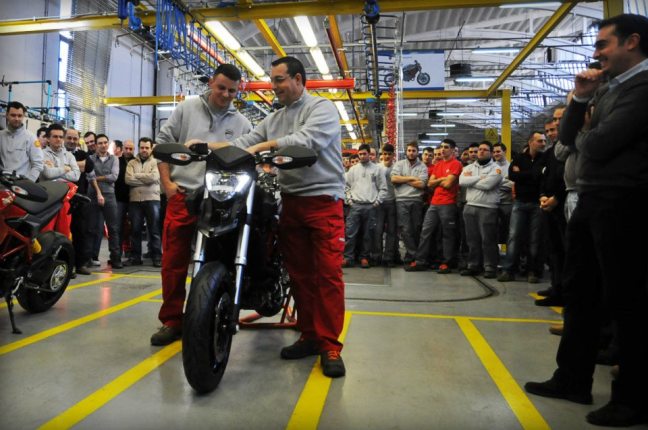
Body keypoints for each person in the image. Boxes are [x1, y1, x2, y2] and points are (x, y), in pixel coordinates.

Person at [524, 14, 648, 427]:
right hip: (595, 199)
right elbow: (567, 139)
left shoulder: (643, 88)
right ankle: (572, 378)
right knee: (580, 292)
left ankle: (634, 398)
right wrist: (579, 100)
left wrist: (585, 135)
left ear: (632, 42)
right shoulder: (608, 88)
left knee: (627, 298)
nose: (596, 54)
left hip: (626, 201)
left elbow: (598, 145)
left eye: (602, 44)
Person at [218, 56, 346, 378]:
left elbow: (308, 140)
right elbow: (244, 143)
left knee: (328, 275)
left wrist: (265, 146)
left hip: (324, 201)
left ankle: (330, 344)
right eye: (272, 80)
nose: (273, 86)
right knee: (300, 275)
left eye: (279, 80)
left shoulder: (322, 109)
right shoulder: (274, 118)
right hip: (291, 202)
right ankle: (310, 335)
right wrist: (210, 147)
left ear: (298, 79)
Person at [151, 64, 252, 346]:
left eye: (232, 91)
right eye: (221, 88)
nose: (226, 95)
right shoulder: (186, 109)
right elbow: (162, 145)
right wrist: (167, 184)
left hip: (221, 201)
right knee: (173, 262)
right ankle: (172, 320)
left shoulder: (242, 124)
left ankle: (207, 317)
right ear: (210, 83)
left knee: (217, 262)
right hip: (183, 195)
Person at [405, 138, 462, 273]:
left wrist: (438, 180)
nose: (443, 149)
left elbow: (448, 184)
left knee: (447, 234)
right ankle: (420, 261)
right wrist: (442, 179)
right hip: (434, 203)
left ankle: (447, 263)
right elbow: (430, 184)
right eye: (442, 147)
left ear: (452, 150)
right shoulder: (438, 165)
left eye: (446, 147)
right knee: (425, 232)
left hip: (448, 203)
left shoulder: (456, 164)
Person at [497, 131, 547, 283]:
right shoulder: (519, 158)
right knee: (513, 236)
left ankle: (532, 271)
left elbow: (542, 177)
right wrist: (534, 173)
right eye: (540, 141)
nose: (543, 144)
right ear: (531, 142)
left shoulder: (545, 158)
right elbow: (513, 176)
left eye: (544, 141)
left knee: (534, 239)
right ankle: (508, 270)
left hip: (537, 203)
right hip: (519, 202)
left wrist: (524, 174)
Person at [458, 141, 503, 278]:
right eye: (480, 150)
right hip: (470, 206)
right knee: (472, 239)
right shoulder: (469, 167)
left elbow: (488, 185)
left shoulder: (496, 169)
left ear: (491, 153)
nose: (481, 152)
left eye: (485, 150)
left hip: (488, 208)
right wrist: (479, 178)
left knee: (488, 239)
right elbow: (461, 182)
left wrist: (471, 181)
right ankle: (473, 265)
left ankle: (490, 267)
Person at [343, 143, 387, 268]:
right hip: (355, 205)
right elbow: (346, 186)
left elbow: (383, 188)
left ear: (369, 154)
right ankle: (348, 258)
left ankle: (364, 258)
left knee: (368, 234)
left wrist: (377, 202)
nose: (362, 156)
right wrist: (349, 201)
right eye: (360, 154)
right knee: (350, 233)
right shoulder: (353, 170)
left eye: (364, 154)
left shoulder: (377, 169)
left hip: (371, 206)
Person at [86, 134, 122, 269]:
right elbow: (88, 177)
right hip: (92, 195)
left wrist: (96, 177)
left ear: (108, 143)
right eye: (100, 143)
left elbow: (114, 177)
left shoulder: (114, 159)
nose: (103, 145)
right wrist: (99, 178)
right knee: (91, 228)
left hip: (109, 196)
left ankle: (116, 259)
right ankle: (88, 258)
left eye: (105, 142)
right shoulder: (90, 159)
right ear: (96, 145)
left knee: (113, 228)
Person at [125, 137, 162, 267]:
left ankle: (157, 257)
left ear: (151, 149)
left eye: (147, 147)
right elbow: (128, 180)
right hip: (135, 201)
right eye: (142, 147)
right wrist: (146, 180)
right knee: (135, 230)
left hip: (152, 199)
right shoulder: (131, 163)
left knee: (154, 230)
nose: (144, 150)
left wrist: (137, 175)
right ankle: (136, 257)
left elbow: (154, 177)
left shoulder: (156, 162)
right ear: (139, 148)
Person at [64, 127, 95, 275]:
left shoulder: (83, 153)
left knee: (80, 232)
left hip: (79, 199)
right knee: (63, 232)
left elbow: (89, 166)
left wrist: (65, 167)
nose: (72, 141)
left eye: (75, 138)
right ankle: (65, 266)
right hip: (61, 198)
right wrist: (77, 166)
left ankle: (80, 264)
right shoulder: (59, 152)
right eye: (69, 138)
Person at [391, 141, 428, 264]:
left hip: (416, 200)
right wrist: (411, 178)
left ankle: (410, 255)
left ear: (417, 152)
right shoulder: (399, 164)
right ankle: (414, 255)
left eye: (413, 151)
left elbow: (422, 184)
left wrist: (403, 179)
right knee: (405, 229)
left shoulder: (422, 166)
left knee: (416, 228)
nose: (411, 153)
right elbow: (394, 179)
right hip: (401, 200)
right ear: (406, 152)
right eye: (409, 150)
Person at [0, 101, 43, 181]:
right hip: (2, 182)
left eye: (19, 116)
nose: (16, 119)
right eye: (13, 115)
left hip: (21, 183)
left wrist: (28, 183)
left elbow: (38, 165)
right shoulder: (1, 135)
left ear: (23, 116)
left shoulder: (31, 138)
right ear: (7, 115)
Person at [372, 144, 399, 267]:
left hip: (393, 202)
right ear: (382, 154)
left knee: (392, 232)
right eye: (385, 154)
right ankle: (376, 256)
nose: (387, 156)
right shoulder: (377, 168)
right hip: (379, 203)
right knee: (377, 231)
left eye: (389, 154)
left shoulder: (397, 168)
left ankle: (389, 257)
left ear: (393, 155)